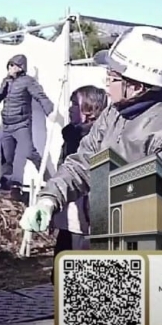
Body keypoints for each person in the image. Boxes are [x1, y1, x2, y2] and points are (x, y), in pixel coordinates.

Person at [19, 28, 162, 325]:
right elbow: (83, 163)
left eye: (111, 75)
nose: (105, 83)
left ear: (136, 85)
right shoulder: (116, 114)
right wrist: (49, 198)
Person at [49, 85, 108, 283]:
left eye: (75, 104)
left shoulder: (102, 138)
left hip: (86, 217)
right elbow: (63, 169)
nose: (70, 108)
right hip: (68, 213)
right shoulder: (70, 136)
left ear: (90, 109)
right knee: (60, 271)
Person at [0, 54, 54, 200]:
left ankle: (50, 180)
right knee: (7, 157)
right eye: (9, 65)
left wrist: (50, 111)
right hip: (6, 125)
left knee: (29, 152)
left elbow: (40, 96)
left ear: (21, 67)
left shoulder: (28, 81)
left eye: (14, 65)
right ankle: (6, 187)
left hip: (21, 124)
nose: (11, 68)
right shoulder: (5, 81)